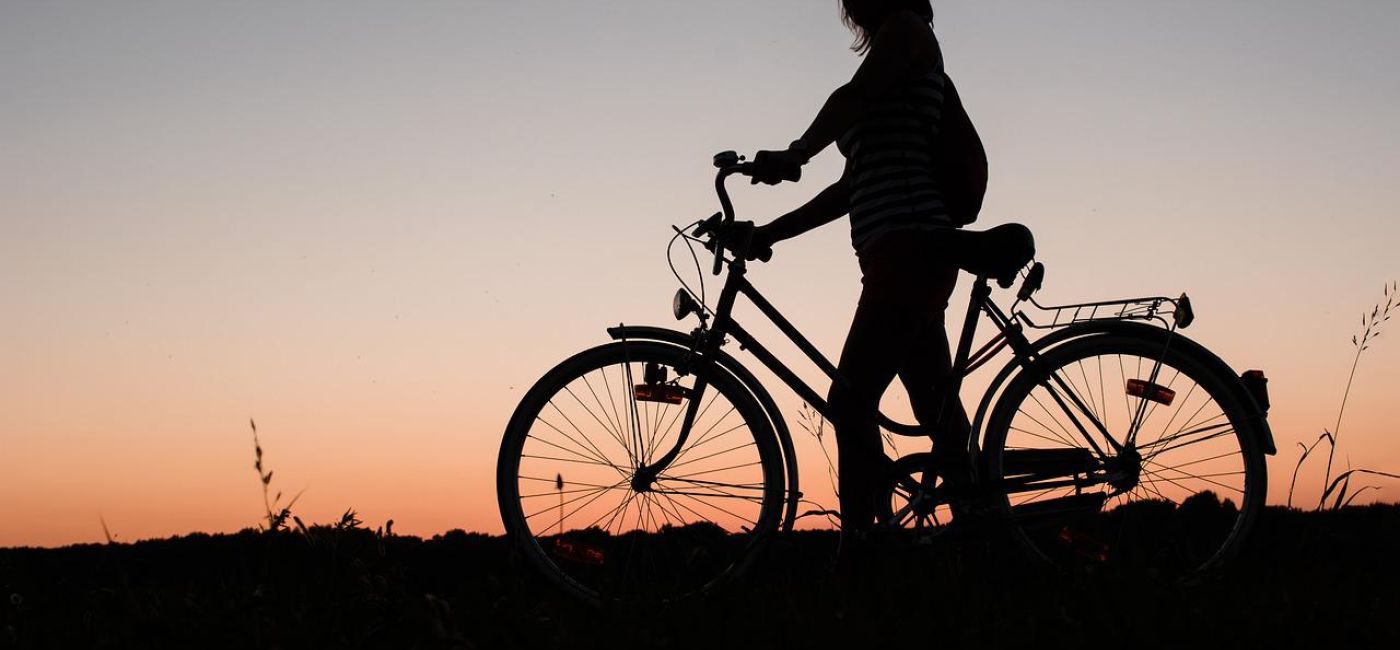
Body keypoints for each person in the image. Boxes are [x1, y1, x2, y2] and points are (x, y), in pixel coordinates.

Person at [745, 0, 980, 542]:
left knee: (851, 400)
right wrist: (769, 233)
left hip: (910, 246)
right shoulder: (889, 62)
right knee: (935, 408)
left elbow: (851, 98)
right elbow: (850, 189)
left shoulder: (906, 32)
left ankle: (862, 554)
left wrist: (798, 151)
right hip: (897, 254)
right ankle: (981, 536)